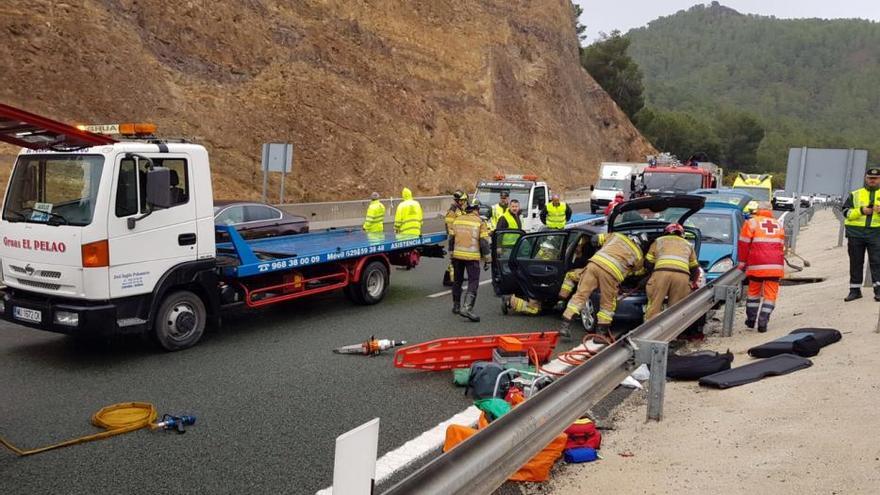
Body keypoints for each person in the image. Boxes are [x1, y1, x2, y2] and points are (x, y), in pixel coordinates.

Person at [559, 232, 645, 338]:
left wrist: (599, 249)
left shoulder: (616, 236)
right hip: (611, 274)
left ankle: (564, 325)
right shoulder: (638, 253)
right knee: (607, 304)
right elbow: (638, 272)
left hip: (594, 265)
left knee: (580, 295)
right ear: (640, 243)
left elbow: (595, 238)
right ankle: (600, 335)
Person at [737, 201, 785, 332]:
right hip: (775, 266)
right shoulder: (778, 224)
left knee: (753, 293)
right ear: (771, 210)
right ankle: (763, 321)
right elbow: (781, 246)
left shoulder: (751, 222)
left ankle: (751, 320)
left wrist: (742, 261)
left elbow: (744, 243)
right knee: (770, 295)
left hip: (757, 264)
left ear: (758, 209)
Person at [644, 223, 699, 320]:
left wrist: (652, 275)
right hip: (682, 276)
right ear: (682, 234)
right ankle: (671, 333)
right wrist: (692, 283)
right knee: (675, 310)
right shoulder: (688, 245)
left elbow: (648, 262)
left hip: (661, 273)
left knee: (654, 306)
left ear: (665, 232)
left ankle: (649, 332)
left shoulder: (658, 241)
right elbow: (695, 268)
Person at [842, 167, 880, 301]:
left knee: (877, 262)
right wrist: (862, 211)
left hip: (876, 233)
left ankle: (878, 291)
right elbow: (846, 212)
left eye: (875, 178)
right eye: (870, 178)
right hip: (855, 233)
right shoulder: (855, 194)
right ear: (865, 178)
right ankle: (855, 290)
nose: (872, 181)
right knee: (856, 262)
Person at [450, 200, 490, 321]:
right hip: (472, 257)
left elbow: (451, 239)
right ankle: (467, 308)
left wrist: (451, 254)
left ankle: (456, 306)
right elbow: (483, 243)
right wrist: (487, 259)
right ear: (475, 210)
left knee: (457, 280)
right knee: (473, 281)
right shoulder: (480, 222)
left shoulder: (457, 220)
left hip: (457, 256)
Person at [442, 191, 469, 286]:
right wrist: (454, 238)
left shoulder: (460, 209)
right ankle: (451, 280)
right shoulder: (453, 211)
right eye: (463, 200)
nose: (464, 202)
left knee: (457, 260)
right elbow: (450, 227)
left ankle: (455, 277)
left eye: (464, 200)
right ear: (458, 200)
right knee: (454, 260)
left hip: (460, 237)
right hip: (455, 238)